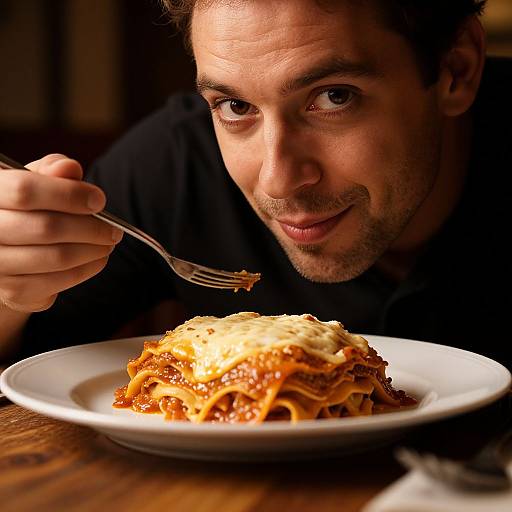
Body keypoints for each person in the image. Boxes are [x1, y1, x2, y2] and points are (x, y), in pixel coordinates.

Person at [1, 0, 510, 368]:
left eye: (333, 97)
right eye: (236, 107)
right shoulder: (173, 164)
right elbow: (25, 365)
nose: (278, 179)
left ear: (454, 71)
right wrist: (7, 292)